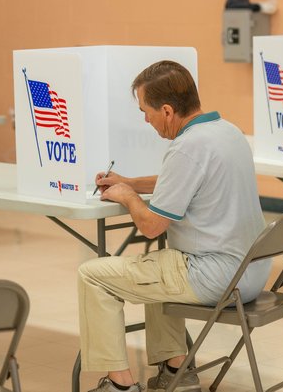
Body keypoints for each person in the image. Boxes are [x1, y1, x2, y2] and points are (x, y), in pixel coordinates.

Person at [78, 60, 268, 392]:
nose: (145, 119)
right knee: (158, 267)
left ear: (167, 111)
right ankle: (176, 371)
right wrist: (131, 183)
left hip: (216, 277)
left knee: (93, 276)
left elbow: (151, 226)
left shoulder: (187, 147)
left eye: (145, 111)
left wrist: (126, 197)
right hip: (250, 270)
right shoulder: (227, 131)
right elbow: (186, 178)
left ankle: (120, 385)